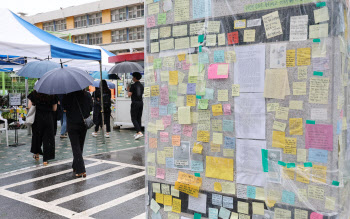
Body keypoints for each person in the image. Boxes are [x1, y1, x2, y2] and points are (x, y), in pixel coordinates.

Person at [62, 90, 92, 178]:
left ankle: (81, 170)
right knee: (80, 145)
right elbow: (90, 108)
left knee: (75, 146)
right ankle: (75, 165)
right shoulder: (87, 95)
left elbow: (64, 108)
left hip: (72, 123)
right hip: (83, 123)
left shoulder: (68, 95)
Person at [28, 90, 57, 166]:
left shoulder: (34, 94)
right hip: (48, 119)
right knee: (47, 138)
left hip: (37, 118)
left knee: (37, 137)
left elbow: (29, 106)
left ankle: (36, 154)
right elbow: (54, 109)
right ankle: (45, 159)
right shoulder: (52, 94)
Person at [128, 72, 144, 140]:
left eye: (133, 77)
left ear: (135, 77)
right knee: (138, 118)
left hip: (135, 103)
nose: (132, 78)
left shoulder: (133, 85)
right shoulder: (141, 85)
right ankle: (138, 132)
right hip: (141, 102)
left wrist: (128, 89)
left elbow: (129, 95)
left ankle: (139, 132)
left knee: (133, 118)